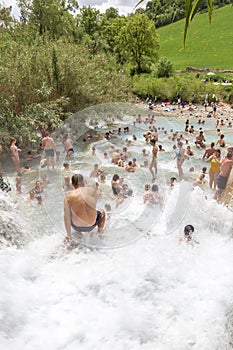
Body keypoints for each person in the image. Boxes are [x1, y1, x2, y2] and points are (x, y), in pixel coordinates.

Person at [64, 174, 105, 241]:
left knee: (71, 213)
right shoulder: (92, 191)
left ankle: (74, 235)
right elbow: (99, 198)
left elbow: (66, 218)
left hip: (76, 227)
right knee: (102, 211)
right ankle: (100, 234)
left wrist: (68, 235)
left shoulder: (68, 197)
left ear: (72, 184)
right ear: (83, 182)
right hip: (91, 225)